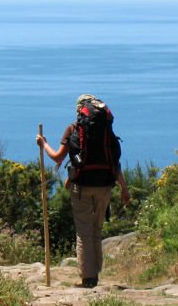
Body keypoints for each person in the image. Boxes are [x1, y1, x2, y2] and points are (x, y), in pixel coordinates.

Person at [37, 94, 131, 288]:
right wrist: (124, 188)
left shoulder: (73, 129)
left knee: (84, 232)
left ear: (79, 110)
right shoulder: (106, 131)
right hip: (105, 186)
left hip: (81, 187)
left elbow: (57, 158)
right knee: (96, 230)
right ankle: (95, 274)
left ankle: (88, 279)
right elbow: (115, 162)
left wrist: (43, 144)